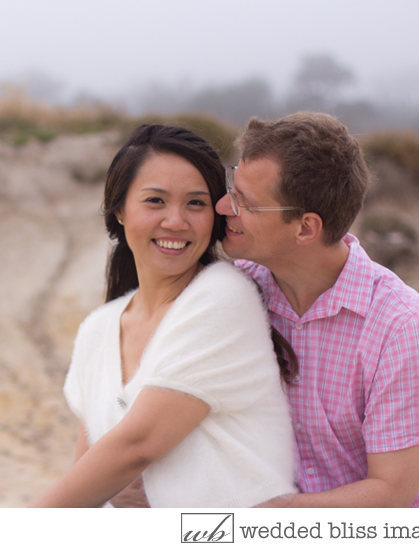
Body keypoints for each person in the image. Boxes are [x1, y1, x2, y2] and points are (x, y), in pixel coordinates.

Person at [31, 124, 298, 508]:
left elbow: (135, 446)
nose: (176, 221)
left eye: (196, 203)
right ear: (120, 209)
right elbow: (88, 480)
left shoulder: (223, 299)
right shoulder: (98, 330)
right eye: (155, 201)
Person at [214, 112, 419, 507]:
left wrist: (260, 516)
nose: (224, 206)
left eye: (246, 203)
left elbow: (391, 493)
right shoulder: (233, 290)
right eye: (232, 187)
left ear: (306, 229)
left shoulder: (399, 324)